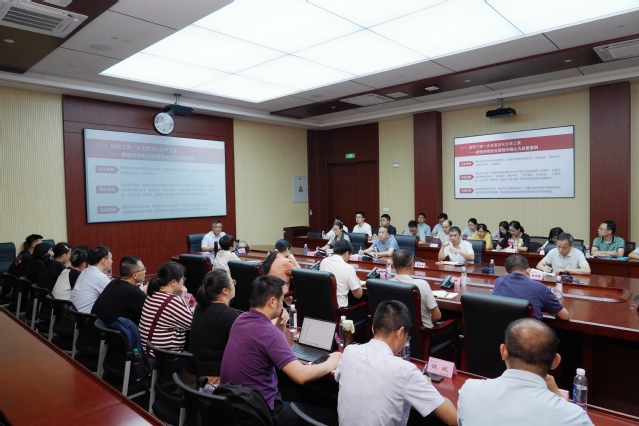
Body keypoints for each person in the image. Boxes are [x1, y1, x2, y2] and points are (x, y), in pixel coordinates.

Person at [220, 275, 342, 426]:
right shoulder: (268, 332)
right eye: (281, 299)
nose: (283, 304)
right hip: (263, 413)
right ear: (272, 301)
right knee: (330, 414)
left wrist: (280, 325)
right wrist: (332, 362)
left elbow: (267, 346)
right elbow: (301, 376)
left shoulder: (240, 319)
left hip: (237, 404)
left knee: (300, 392)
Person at [335, 300, 457, 426]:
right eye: (407, 336)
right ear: (400, 332)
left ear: (372, 328)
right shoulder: (406, 371)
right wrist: (427, 386)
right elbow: (453, 419)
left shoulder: (349, 352)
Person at [457, 318, 593, 426]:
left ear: (503, 351)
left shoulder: (470, 390)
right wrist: (558, 395)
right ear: (555, 361)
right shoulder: (575, 417)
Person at [189, 269, 241, 376]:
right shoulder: (228, 314)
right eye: (233, 282)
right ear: (225, 290)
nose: (234, 284)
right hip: (215, 376)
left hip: (195, 371)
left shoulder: (200, 306)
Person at [139, 262, 193, 358]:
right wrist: (181, 296)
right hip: (165, 357)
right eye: (183, 279)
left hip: (146, 352)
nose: (183, 282)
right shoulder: (173, 301)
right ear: (173, 282)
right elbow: (193, 323)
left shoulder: (151, 295)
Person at [493, 255, 569, 320]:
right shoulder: (539, 287)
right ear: (528, 270)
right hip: (530, 332)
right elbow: (565, 316)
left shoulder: (499, 282)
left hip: (504, 331)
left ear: (507, 272)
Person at [91, 256, 147, 326]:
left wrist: (139, 290)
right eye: (143, 269)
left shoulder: (114, 282)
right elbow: (150, 304)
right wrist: (144, 291)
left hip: (97, 328)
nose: (145, 271)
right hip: (110, 331)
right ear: (135, 275)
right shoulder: (134, 292)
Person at [391, 250, 441, 328]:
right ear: (412, 265)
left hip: (398, 331)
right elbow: (437, 316)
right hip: (424, 333)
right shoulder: (422, 284)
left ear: (392, 266)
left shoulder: (387, 284)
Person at [320, 240, 363, 308]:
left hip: (324, 306)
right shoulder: (348, 268)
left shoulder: (324, 262)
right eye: (350, 255)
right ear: (347, 253)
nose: (349, 258)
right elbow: (358, 295)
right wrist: (358, 282)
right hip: (340, 309)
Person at [70, 246, 113, 313]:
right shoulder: (100, 277)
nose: (112, 261)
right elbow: (116, 296)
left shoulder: (85, 271)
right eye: (111, 258)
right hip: (85, 317)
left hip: (75, 314)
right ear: (104, 260)